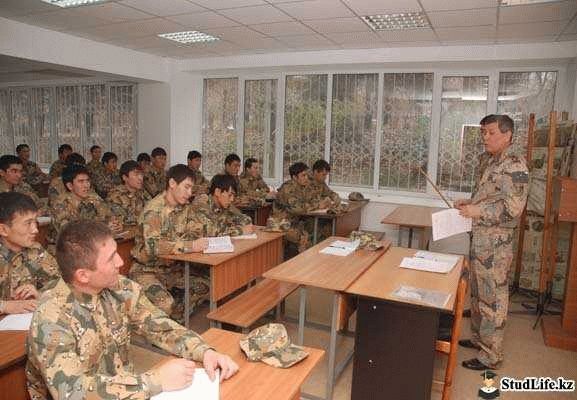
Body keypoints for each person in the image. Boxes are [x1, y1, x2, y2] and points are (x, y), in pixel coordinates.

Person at [26, 220, 238, 400]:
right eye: (110, 258)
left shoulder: (120, 287)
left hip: (124, 387)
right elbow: (71, 391)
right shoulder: (52, 317)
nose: (120, 262)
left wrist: (206, 351)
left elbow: (160, 327)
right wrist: (155, 382)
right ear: (83, 275)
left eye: (116, 252)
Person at [456, 114, 529, 371]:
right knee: (477, 295)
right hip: (481, 240)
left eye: (491, 132)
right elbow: (489, 196)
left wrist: (478, 212)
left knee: (493, 299)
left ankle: (491, 355)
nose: (485, 137)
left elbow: (513, 209)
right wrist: (470, 204)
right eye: (483, 133)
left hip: (496, 247)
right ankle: (479, 339)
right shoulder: (489, 161)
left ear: (507, 135)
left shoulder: (515, 165)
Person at [130, 165, 210, 320]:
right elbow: (154, 246)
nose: (189, 193)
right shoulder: (154, 210)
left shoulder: (184, 208)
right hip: (147, 271)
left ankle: (175, 319)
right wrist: (190, 245)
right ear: (172, 183)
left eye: (191, 188)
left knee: (205, 286)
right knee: (165, 303)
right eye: (186, 187)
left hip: (171, 269)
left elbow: (199, 228)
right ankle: (157, 325)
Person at [0, 192, 59, 315]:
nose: (35, 230)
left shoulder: (35, 250)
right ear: (3, 230)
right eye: (28, 223)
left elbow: (63, 284)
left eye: (35, 222)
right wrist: (5, 306)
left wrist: (41, 293)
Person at [50, 164, 121, 240]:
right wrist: (102, 228)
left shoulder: (93, 197)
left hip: (92, 242)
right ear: (70, 186)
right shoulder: (60, 204)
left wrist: (116, 224)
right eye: (81, 181)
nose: (86, 185)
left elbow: (109, 216)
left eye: (87, 181)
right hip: (65, 248)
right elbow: (70, 234)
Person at [272, 162, 322, 254]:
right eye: (303, 175)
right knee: (304, 238)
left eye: (307, 175)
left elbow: (314, 199)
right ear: (294, 177)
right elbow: (298, 208)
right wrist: (317, 205)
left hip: (294, 221)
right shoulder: (287, 188)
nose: (306, 178)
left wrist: (316, 204)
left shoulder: (302, 187)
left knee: (318, 230)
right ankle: (300, 263)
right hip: (280, 223)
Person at [189, 174, 255, 237]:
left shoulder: (225, 205)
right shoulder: (201, 204)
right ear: (217, 192)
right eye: (229, 195)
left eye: (233, 196)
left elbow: (246, 220)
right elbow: (210, 231)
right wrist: (240, 230)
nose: (232, 199)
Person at [107, 160, 151, 226]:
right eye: (136, 174)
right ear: (125, 177)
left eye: (141, 174)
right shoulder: (115, 195)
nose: (140, 178)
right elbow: (121, 221)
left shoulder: (143, 192)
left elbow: (153, 210)